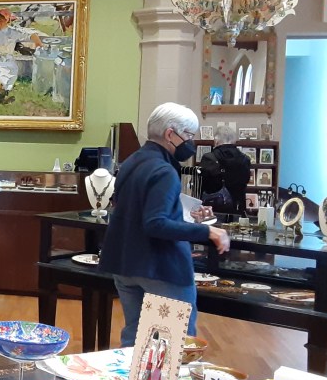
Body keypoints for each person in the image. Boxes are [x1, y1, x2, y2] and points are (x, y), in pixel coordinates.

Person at [99, 102, 231, 347]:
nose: (190, 142)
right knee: (170, 345)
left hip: (125, 263)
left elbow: (139, 212)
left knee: (134, 340)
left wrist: (186, 218)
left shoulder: (131, 162)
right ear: (171, 134)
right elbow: (156, 224)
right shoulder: (164, 171)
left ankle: (133, 375)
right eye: (189, 135)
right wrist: (207, 230)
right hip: (161, 267)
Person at [198, 126, 252, 218]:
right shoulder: (245, 159)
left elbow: (201, 185)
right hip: (238, 208)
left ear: (216, 140)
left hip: (214, 210)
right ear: (234, 141)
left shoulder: (209, 158)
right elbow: (245, 181)